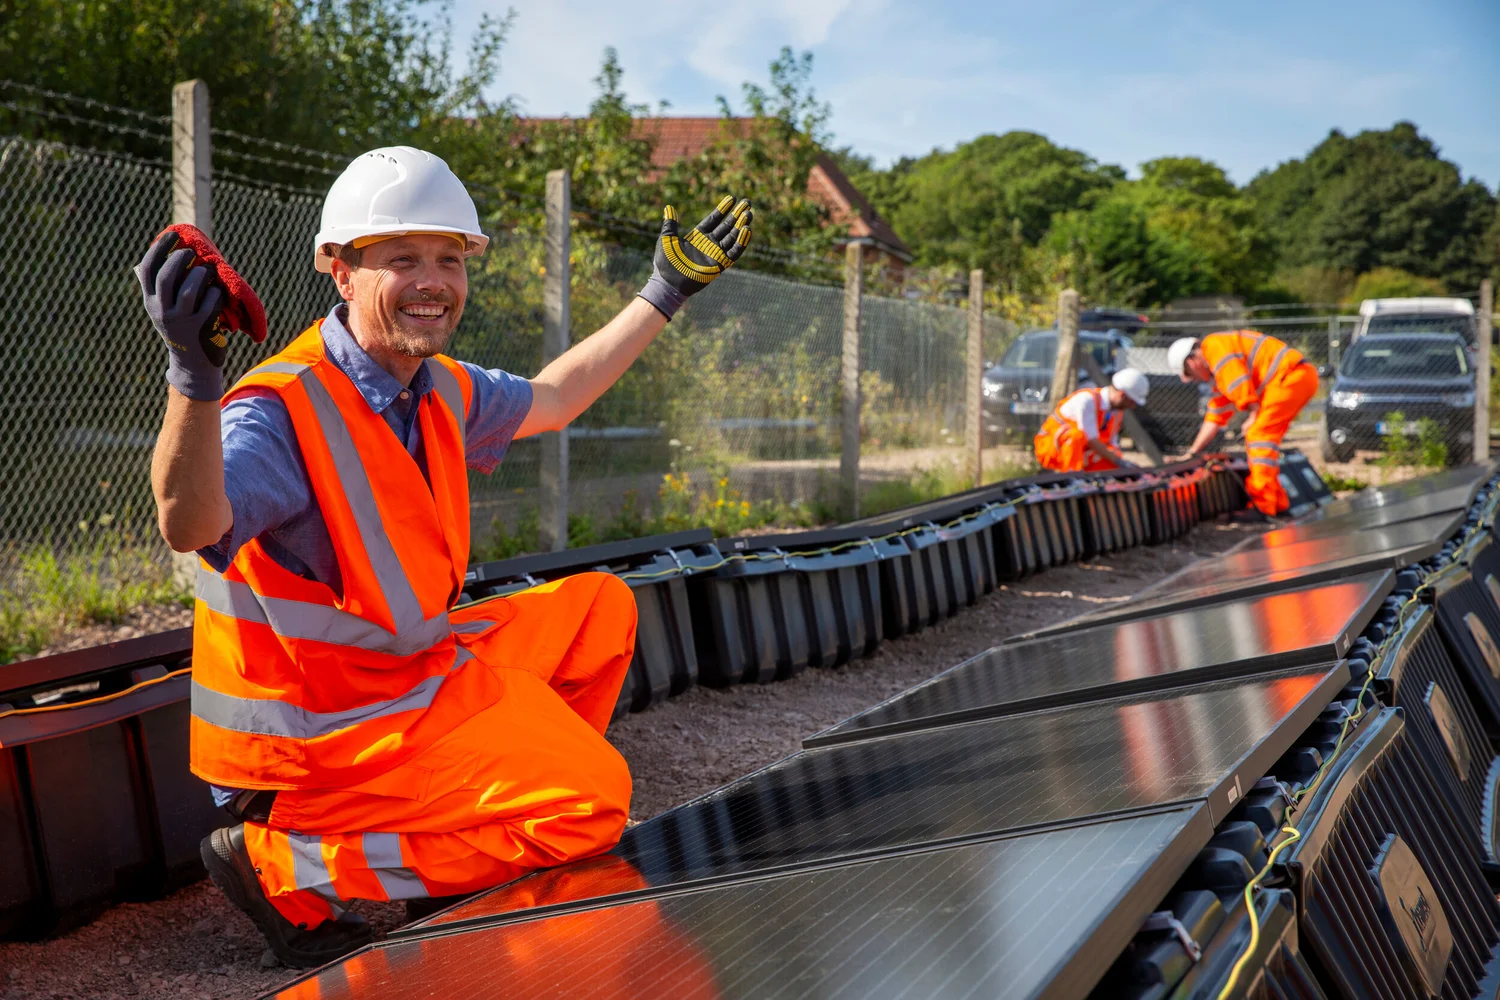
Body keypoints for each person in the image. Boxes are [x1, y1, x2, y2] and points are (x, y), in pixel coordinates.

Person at [136, 146, 753, 967]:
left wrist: (663, 292)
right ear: (340, 271)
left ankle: (460, 833)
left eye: (449, 259)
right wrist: (192, 377)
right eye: (403, 259)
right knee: (594, 803)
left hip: (397, 683)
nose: (433, 281)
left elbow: (557, 397)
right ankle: (291, 868)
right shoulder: (277, 415)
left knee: (598, 610)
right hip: (313, 746)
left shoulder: (437, 387)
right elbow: (188, 522)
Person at [1168, 330, 1319, 519]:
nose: (1196, 379)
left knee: (1258, 436)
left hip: (1290, 378)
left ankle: (1263, 506)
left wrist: (1253, 413)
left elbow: (1238, 381)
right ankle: (1276, 503)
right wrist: (1192, 453)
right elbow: (1215, 417)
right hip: (1294, 378)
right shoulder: (1219, 372)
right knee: (1265, 442)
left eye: (1190, 374)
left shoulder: (1213, 347)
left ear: (1191, 362)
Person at [1033, 368, 1149, 473]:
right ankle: (1071, 478)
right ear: (1122, 395)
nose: (1133, 406)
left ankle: (1098, 484)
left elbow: (1111, 442)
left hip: (1082, 453)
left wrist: (1121, 463)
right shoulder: (1087, 401)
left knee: (1113, 454)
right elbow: (1091, 439)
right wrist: (1119, 461)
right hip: (1050, 449)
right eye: (1132, 402)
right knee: (1077, 436)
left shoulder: (1117, 412)